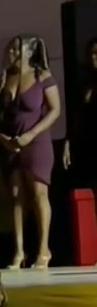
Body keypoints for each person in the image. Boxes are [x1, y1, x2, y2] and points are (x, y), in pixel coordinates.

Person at [0, 36, 61, 270]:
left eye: (16, 50)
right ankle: (18, 252)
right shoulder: (4, 78)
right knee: (16, 195)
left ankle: (43, 249)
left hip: (36, 141)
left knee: (38, 193)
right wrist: (3, 139)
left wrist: (31, 134)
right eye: (9, 49)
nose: (11, 53)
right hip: (11, 144)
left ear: (29, 52)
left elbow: (55, 110)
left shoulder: (42, 76)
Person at [63, 36, 97, 195]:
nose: (93, 58)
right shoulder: (84, 82)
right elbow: (76, 114)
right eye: (91, 54)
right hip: (87, 142)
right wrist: (68, 142)